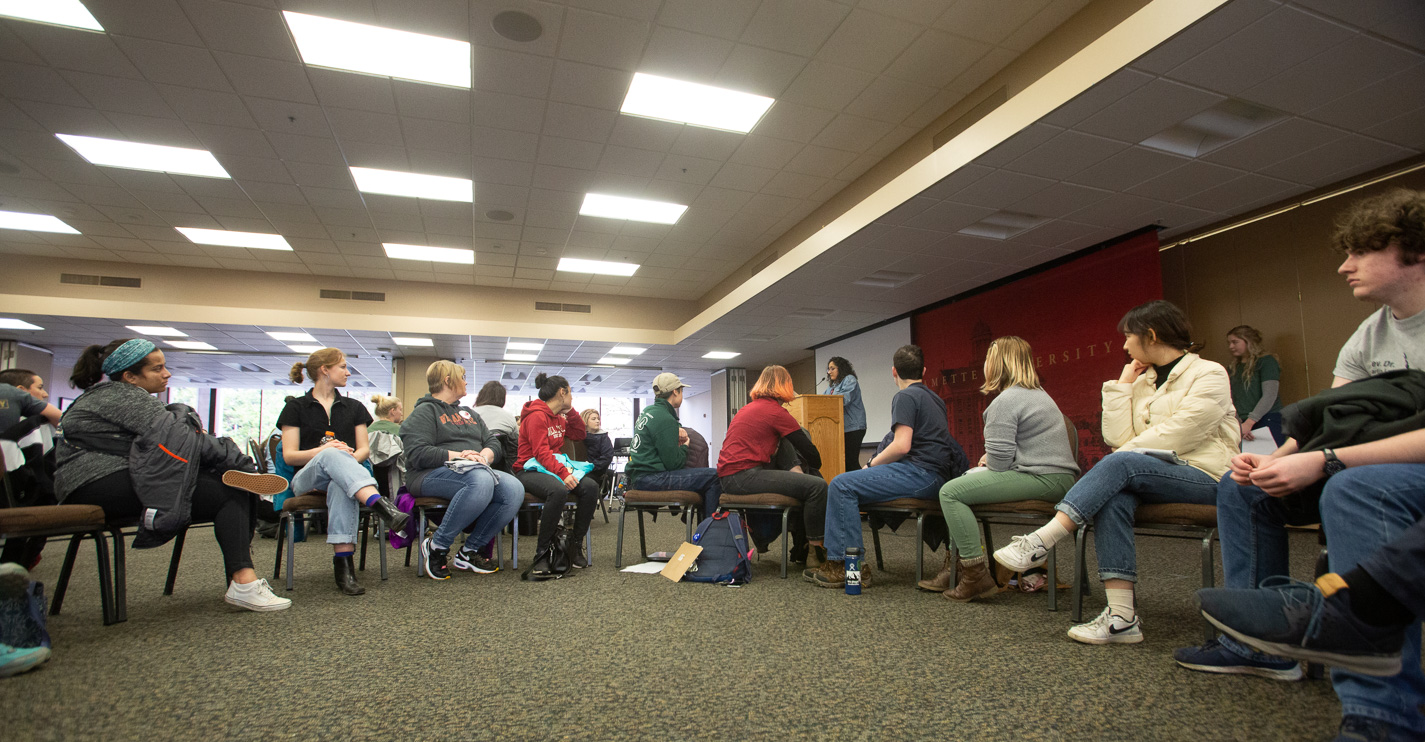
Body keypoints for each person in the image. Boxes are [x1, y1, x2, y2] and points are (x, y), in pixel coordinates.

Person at [1175, 189, 1425, 741]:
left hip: (1392, 469)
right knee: (1240, 488)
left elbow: (1335, 445)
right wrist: (1277, 459)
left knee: (1357, 489)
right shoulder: (1371, 332)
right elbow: (1333, 419)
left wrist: (1326, 461)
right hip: (1359, 458)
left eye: (1361, 251)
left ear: (1415, 251)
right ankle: (1262, 647)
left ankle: (1383, 716)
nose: (1344, 264)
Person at [992, 300, 1238, 643]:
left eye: (1128, 337)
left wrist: (1120, 458)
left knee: (1119, 465)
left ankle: (1042, 540)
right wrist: (1122, 386)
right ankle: (1122, 618)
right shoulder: (1141, 381)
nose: (1124, 346)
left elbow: (1183, 433)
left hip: (1206, 477)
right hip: (1150, 476)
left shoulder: (1209, 373)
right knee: (1113, 498)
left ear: (1149, 336)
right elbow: (1117, 438)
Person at [54, 338, 291, 611]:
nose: (167, 374)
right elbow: (186, 441)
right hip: (94, 483)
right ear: (130, 376)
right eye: (157, 369)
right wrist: (241, 463)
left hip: (106, 478)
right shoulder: (121, 396)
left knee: (229, 487)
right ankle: (244, 580)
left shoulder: (110, 395)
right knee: (228, 490)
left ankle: (245, 575)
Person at [924, 337, 1079, 601]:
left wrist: (989, 459)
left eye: (988, 359)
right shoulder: (1037, 393)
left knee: (951, 492)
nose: (984, 364)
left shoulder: (1005, 401)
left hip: (1043, 478)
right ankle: (960, 569)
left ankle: (974, 575)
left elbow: (999, 464)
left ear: (998, 364)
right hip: (1060, 479)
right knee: (964, 487)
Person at [806, 344, 960, 589]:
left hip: (920, 474)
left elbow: (901, 446)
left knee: (840, 484)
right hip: (936, 476)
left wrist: (870, 464)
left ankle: (849, 568)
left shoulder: (905, 396)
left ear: (893, 372)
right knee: (847, 484)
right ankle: (848, 566)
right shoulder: (935, 398)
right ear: (924, 370)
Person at [277, 347, 409, 596]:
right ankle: (380, 504)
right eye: (343, 367)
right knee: (331, 452)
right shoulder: (296, 408)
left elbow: (363, 452)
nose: (348, 372)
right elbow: (290, 455)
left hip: (344, 478)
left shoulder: (354, 407)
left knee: (342, 485)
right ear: (324, 370)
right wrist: (325, 452)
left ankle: (344, 566)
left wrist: (342, 455)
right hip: (307, 477)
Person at [400, 361, 522, 580]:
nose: (466, 381)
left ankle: (469, 551)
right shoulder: (424, 412)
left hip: (473, 470)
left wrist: (482, 457)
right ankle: (437, 546)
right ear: (448, 380)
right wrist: (461, 455)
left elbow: (493, 444)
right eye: (463, 376)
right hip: (428, 474)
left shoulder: (470, 414)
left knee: (514, 488)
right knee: (480, 480)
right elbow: (418, 453)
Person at [719, 365, 828, 563]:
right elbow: (814, 457)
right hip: (744, 477)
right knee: (818, 486)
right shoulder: (775, 412)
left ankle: (802, 548)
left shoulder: (748, 408)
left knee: (801, 478)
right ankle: (815, 553)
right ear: (785, 386)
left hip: (729, 477)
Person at [515, 373, 599, 574]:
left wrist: (570, 412)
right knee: (558, 491)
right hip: (529, 469)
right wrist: (563, 473)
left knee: (591, 487)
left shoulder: (559, 418)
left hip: (550, 468)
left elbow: (579, 434)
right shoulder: (536, 416)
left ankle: (574, 546)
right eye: (570, 393)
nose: (572, 397)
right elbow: (541, 453)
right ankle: (542, 553)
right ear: (562, 392)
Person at [625, 373, 722, 516]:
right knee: (715, 476)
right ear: (675, 391)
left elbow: (662, 428)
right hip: (652, 479)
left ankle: (706, 528)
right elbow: (674, 464)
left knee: (704, 477)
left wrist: (677, 427)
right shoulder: (665, 418)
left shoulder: (648, 412)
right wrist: (685, 446)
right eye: (681, 391)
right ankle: (709, 530)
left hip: (637, 478)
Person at [1225, 325, 1284, 446]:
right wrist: (1240, 424)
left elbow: (1269, 395)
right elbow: (1231, 399)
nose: (1231, 346)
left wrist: (1250, 422)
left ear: (1248, 341)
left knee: (1271, 459)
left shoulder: (1267, 361)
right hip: (1243, 422)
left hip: (1267, 418)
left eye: (1235, 342)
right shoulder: (1232, 368)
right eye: (1229, 343)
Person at [826, 356, 866, 473]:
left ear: (841, 368)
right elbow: (821, 401)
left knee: (850, 461)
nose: (829, 372)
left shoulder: (850, 379)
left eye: (832, 368)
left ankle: (863, 486)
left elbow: (843, 400)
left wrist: (826, 401)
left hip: (854, 427)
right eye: (828, 369)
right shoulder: (832, 387)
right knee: (844, 463)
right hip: (842, 428)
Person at [582, 409, 614, 484]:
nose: (597, 421)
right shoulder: (578, 437)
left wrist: (592, 466)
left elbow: (607, 457)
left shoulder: (604, 438)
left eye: (598, 419)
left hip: (596, 472)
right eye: (593, 419)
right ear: (585, 421)